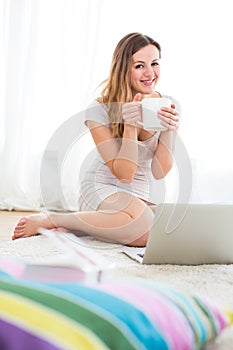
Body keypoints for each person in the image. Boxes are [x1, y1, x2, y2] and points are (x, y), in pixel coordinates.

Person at [12, 32, 180, 246]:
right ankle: (51, 218)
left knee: (167, 228)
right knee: (145, 228)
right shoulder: (99, 110)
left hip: (138, 198)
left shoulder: (168, 105)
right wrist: (129, 126)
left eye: (154, 63)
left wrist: (171, 129)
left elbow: (159, 171)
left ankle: (79, 228)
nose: (150, 73)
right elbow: (124, 174)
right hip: (102, 191)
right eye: (139, 66)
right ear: (123, 69)